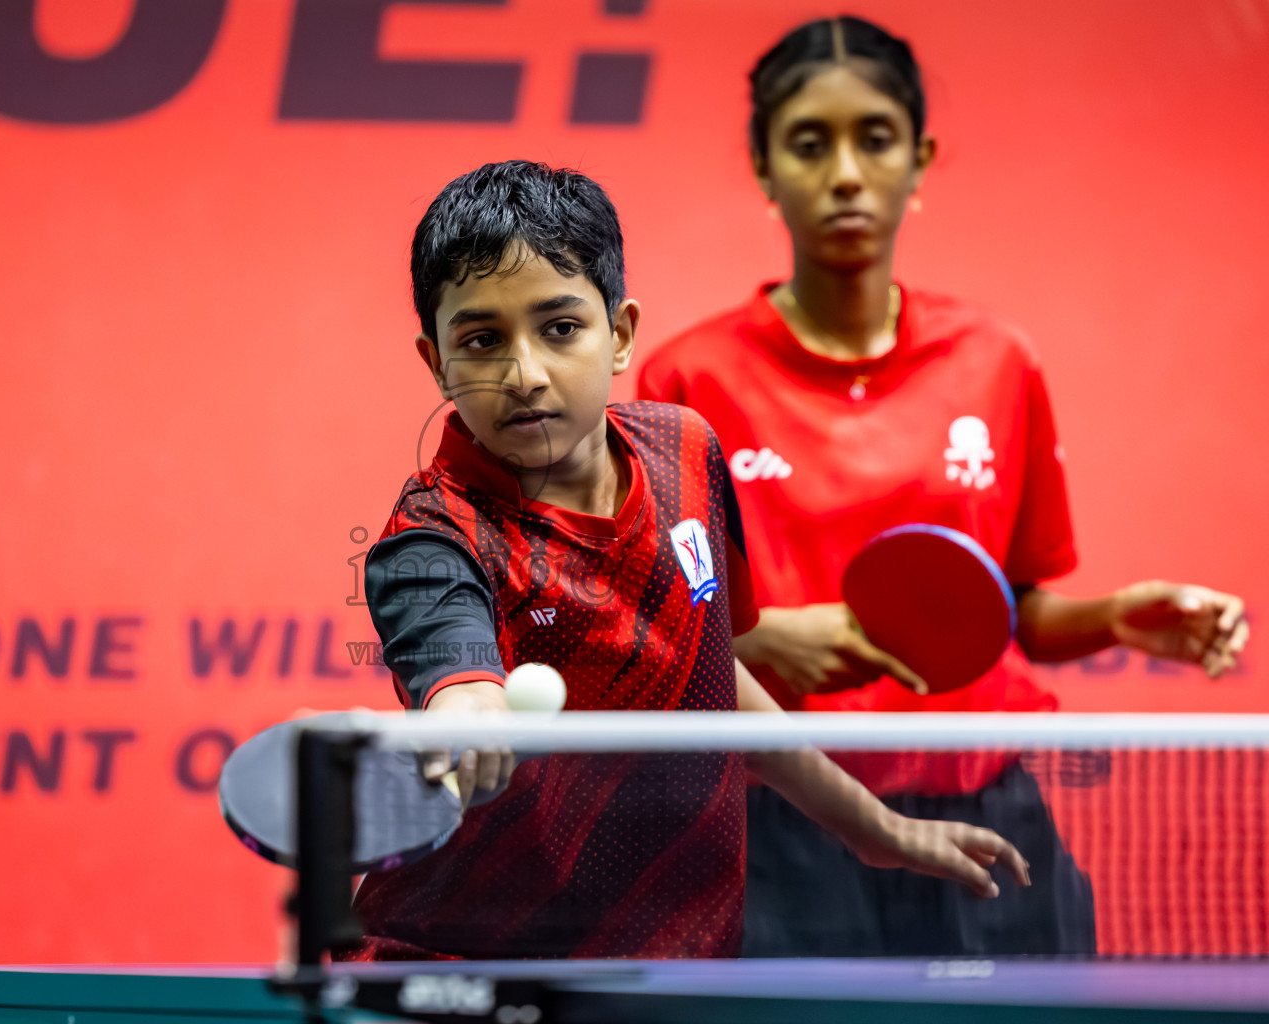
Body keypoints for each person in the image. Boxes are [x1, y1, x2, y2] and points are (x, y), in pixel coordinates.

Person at [637, 16, 1250, 957]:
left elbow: (1013, 610)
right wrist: (757, 638)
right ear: (764, 167)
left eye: (874, 139)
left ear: (918, 159)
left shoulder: (996, 361)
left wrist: (1118, 618)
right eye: (809, 143)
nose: (846, 172)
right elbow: (657, 632)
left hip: (988, 802)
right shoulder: (687, 381)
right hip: (790, 819)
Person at [340, 160, 1029, 961]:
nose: (525, 374)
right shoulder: (433, 538)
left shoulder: (685, 450)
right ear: (437, 362)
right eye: (483, 340)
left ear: (622, 333)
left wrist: (872, 828)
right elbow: (459, 682)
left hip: (664, 969)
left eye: (560, 328)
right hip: (462, 973)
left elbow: (709, 675)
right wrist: (467, 720)